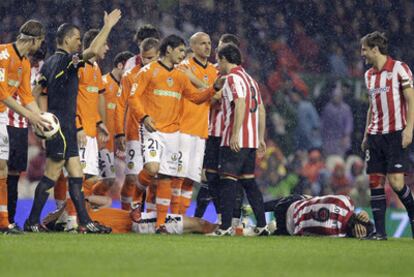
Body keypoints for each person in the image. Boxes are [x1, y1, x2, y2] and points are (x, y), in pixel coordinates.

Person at [24, 9, 121, 233]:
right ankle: (31, 222)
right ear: (67, 39)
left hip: (62, 127)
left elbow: (35, 90)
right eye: (77, 38)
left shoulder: (49, 63)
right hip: (63, 128)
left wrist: (37, 118)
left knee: (76, 177)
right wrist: (108, 26)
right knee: (50, 177)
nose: (79, 42)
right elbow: (94, 50)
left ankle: (85, 223)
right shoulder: (67, 61)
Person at [128, 34, 219, 233]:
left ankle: (161, 225)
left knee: (166, 177)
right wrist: (143, 117)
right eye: (180, 51)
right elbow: (133, 97)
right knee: (152, 169)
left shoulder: (180, 75)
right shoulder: (148, 71)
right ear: (168, 49)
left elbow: (195, 97)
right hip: (153, 129)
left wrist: (213, 89)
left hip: (174, 133)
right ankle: (136, 200)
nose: (182, 55)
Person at [209, 43, 268, 236]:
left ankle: (225, 227)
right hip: (250, 140)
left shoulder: (233, 78)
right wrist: (260, 137)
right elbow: (261, 109)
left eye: (219, 59)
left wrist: (234, 134)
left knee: (227, 181)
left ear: (224, 59)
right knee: (249, 183)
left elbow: (240, 103)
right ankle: (262, 226)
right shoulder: (250, 80)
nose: (218, 63)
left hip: (236, 139)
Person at [360, 31, 414, 240]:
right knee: (375, 182)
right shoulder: (368, 76)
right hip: (375, 135)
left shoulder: (400, 69)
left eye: (364, 49)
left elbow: (411, 99)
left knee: (397, 183)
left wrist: (409, 129)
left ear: (375, 49)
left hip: (395, 134)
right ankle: (380, 234)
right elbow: (371, 108)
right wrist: (366, 135)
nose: (362, 53)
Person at [0, 20, 50, 234]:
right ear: (34, 39)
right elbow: (2, 94)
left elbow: (26, 96)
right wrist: (30, 115)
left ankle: (4, 222)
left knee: (2, 168)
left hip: (1, 116)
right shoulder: (2, 54)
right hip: (2, 112)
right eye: (40, 41)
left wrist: (41, 118)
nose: (40, 46)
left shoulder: (25, 64)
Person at [63, 27, 112, 231]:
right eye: (104, 43)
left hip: (91, 130)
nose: (107, 48)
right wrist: (78, 126)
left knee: (90, 178)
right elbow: (70, 99)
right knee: (78, 177)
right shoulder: (79, 66)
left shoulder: (96, 69)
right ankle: (72, 221)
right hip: (80, 131)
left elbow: (91, 99)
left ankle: (66, 216)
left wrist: (100, 122)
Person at [172, 32, 218, 216]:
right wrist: (208, 90)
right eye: (202, 43)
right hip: (183, 128)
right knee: (178, 176)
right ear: (193, 46)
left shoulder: (214, 71)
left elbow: (216, 97)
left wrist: (196, 81)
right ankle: (173, 215)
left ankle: (181, 217)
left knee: (191, 178)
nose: (207, 47)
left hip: (201, 130)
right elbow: (198, 94)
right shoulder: (183, 67)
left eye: (209, 43)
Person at [196, 34, 240, 221]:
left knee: (231, 179)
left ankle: (234, 219)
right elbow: (205, 93)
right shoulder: (212, 70)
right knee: (208, 177)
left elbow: (214, 96)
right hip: (210, 131)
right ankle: (210, 216)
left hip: (228, 133)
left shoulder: (238, 76)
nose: (218, 54)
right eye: (219, 49)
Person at [115, 37, 160, 211]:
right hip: (134, 132)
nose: (146, 61)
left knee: (154, 179)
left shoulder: (165, 74)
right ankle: (127, 214)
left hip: (158, 132)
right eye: (143, 58)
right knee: (132, 178)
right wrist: (119, 132)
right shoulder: (130, 75)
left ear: (158, 55)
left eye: (150, 58)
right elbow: (120, 105)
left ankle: (150, 217)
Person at [92, 51, 134, 198]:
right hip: (100, 140)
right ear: (120, 65)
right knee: (104, 178)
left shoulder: (128, 90)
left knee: (111, 180)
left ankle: (91, 205)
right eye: (129, 68)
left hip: (115, 143)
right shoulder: (103, 83)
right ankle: (84, 205)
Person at [43, 204, 217, 235]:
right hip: (140, 224)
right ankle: (225, 230)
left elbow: (105, 201)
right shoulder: (83, 224)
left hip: (138, 219)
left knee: (196, 227)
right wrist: (55, 216)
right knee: (199, 224)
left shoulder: (84, 211)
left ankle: (219, 230)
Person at [262, 194, 374, 238]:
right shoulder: (336, 234)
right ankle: (265, 230)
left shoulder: (346, 201)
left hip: (287, 204)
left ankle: (255, 208)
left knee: (309, 198)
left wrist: (361, 213)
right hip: (286, 229)